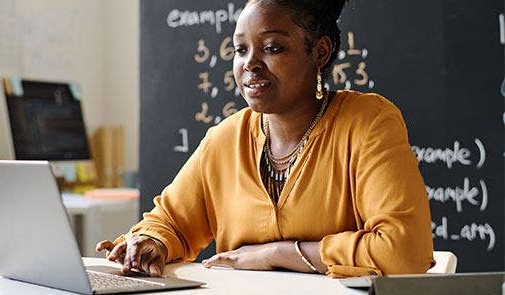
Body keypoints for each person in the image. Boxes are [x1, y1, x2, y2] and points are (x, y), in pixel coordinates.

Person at [96, 0, 434, 278]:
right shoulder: (226, 139)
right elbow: (170, 222)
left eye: (272, 48)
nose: (250, 64)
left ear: (320, 52)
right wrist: (150, 242)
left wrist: (277, 254)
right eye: (240, 50)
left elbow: (404, 252)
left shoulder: (368, 123)